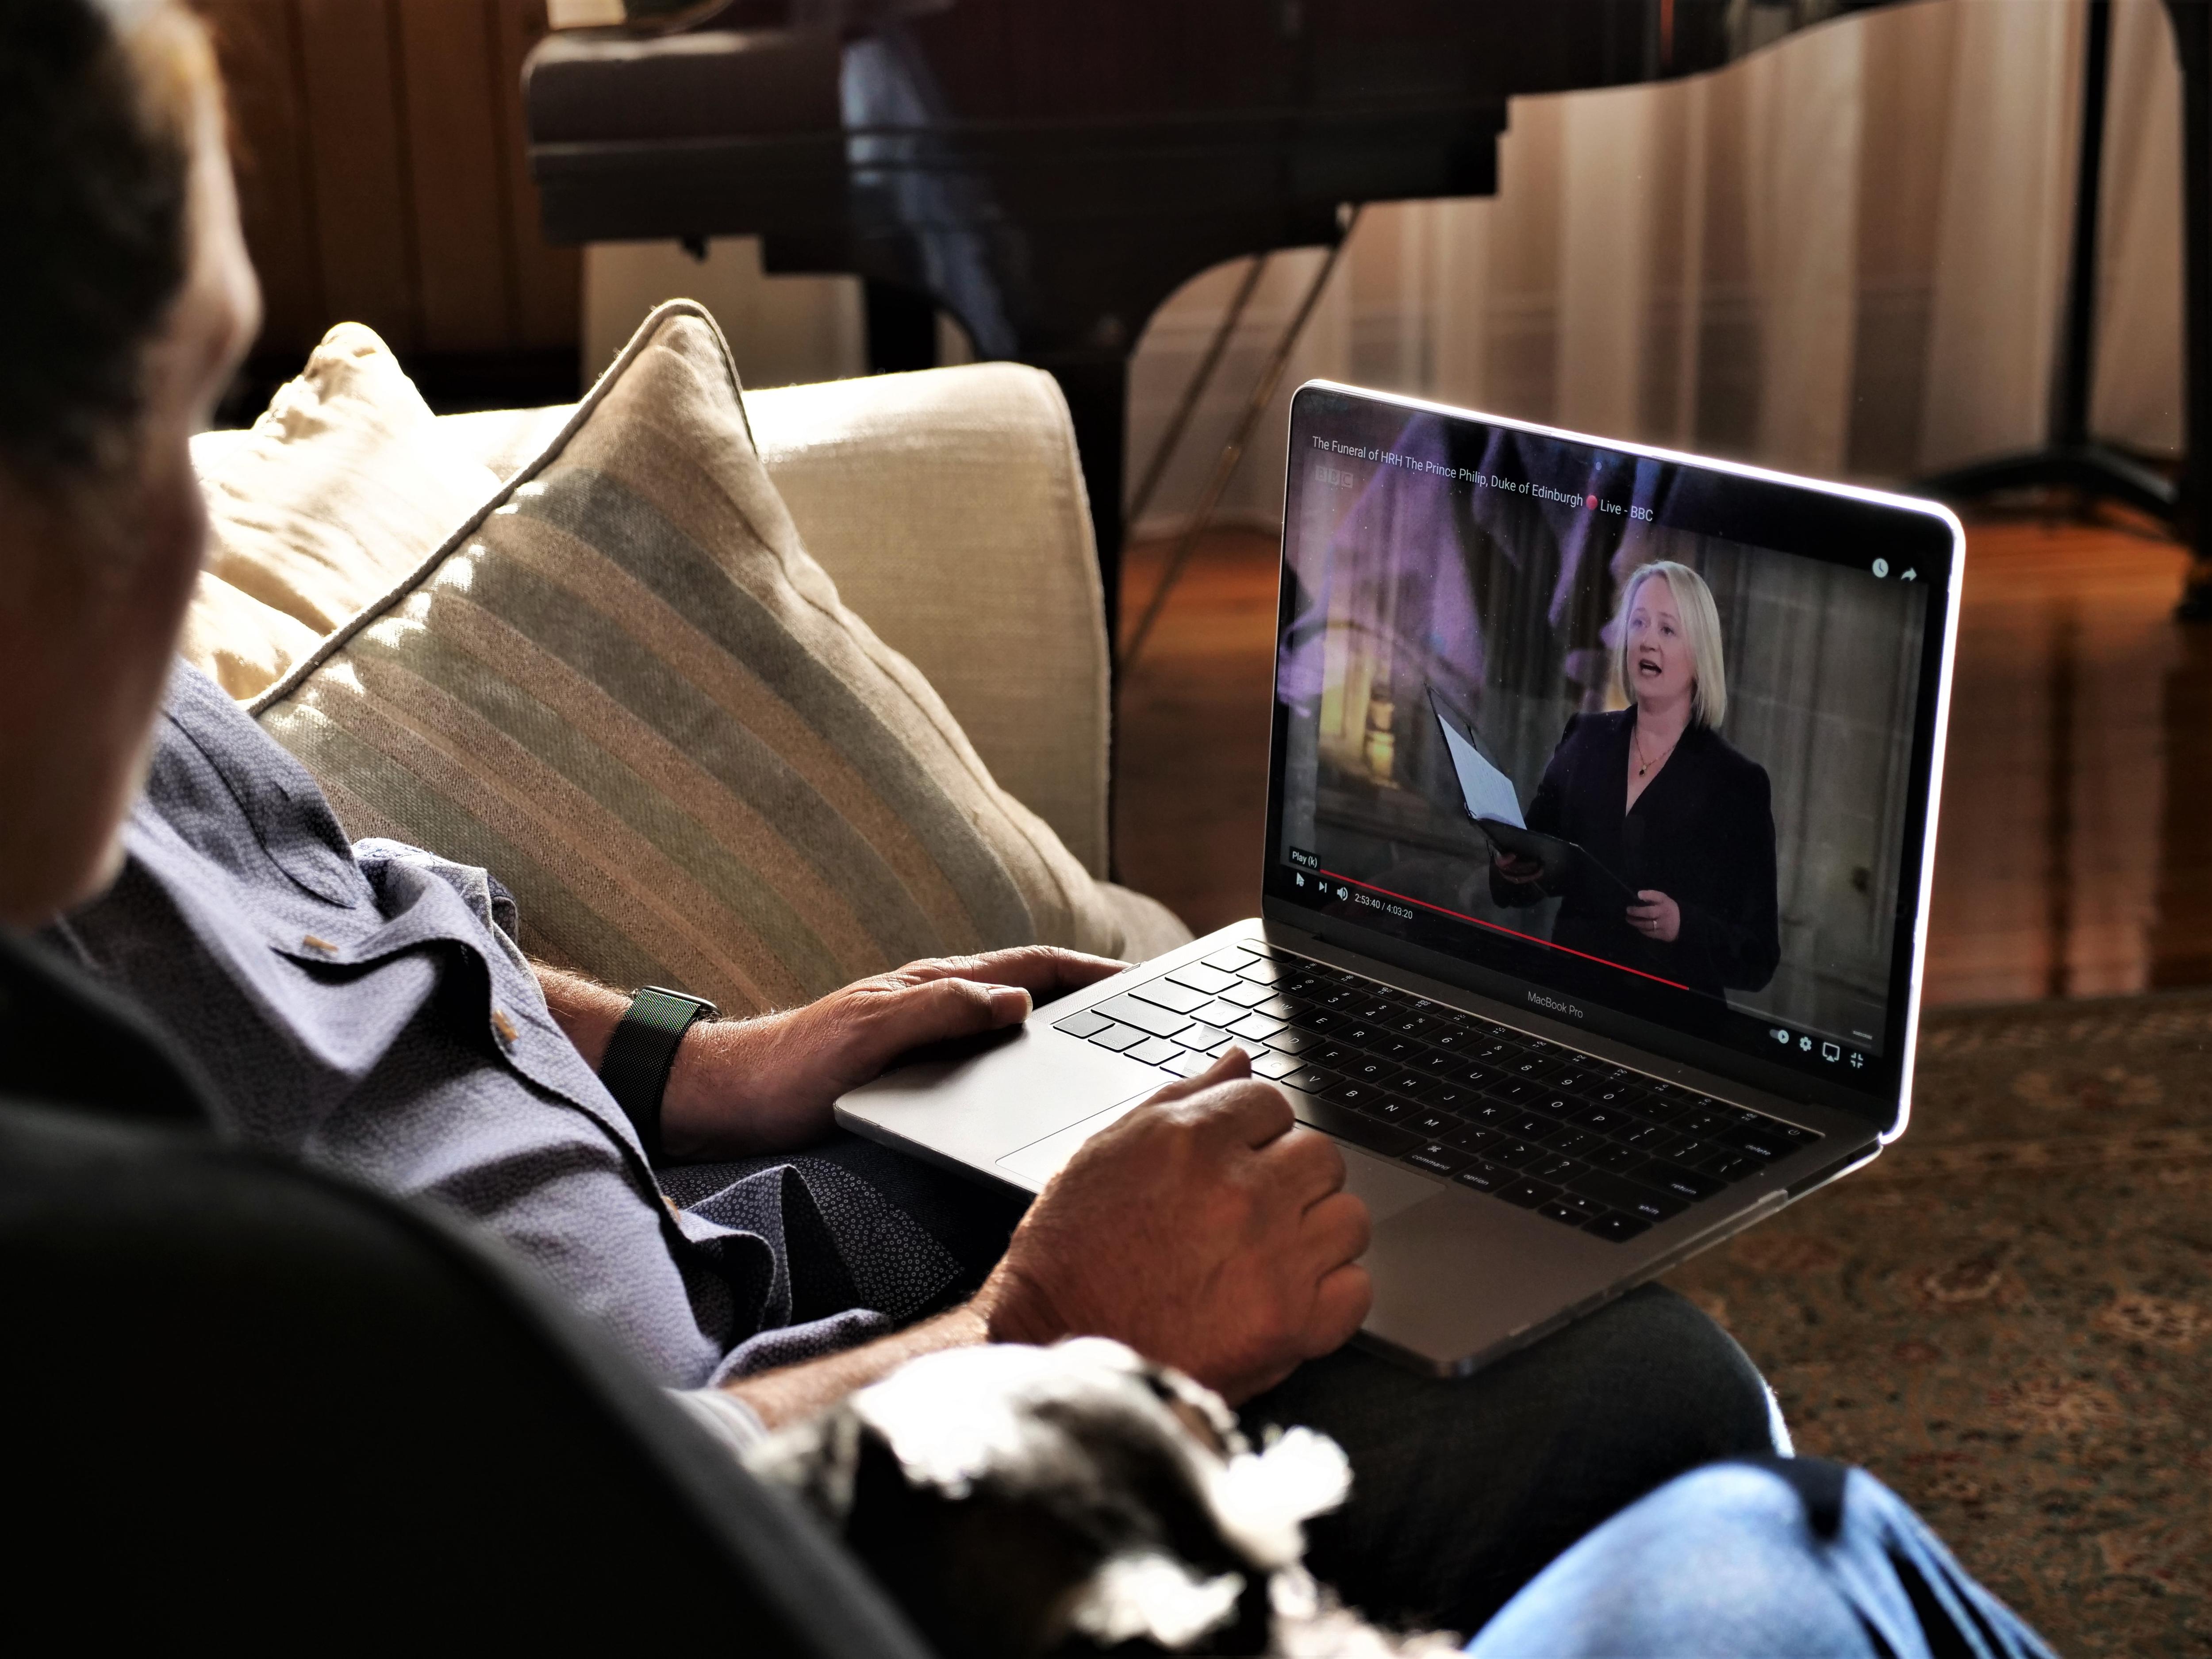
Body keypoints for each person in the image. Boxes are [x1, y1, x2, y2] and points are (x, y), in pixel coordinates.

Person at [0, 5, 2053, 1651]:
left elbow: (320, 905)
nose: (194, 528)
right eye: (163, 414)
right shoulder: (138, 1257)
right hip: (850, 1462)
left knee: (1585, 1330)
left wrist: (696, 1054)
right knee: (1735, 1495)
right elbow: (514, 1549)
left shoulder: (79, 784)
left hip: (745, 1229)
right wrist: (1038, 1331)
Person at [1493, 558, 1781, 999]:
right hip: (1570, 1003)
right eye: (1638, 624)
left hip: (1669, 1029)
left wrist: (1684, 924)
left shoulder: (1737, 783)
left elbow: (1757, 956)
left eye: (1667, 630)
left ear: (1699, 654)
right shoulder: (1584, 737)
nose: (1647, 641)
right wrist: (1510, 868)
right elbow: (1534, 868)